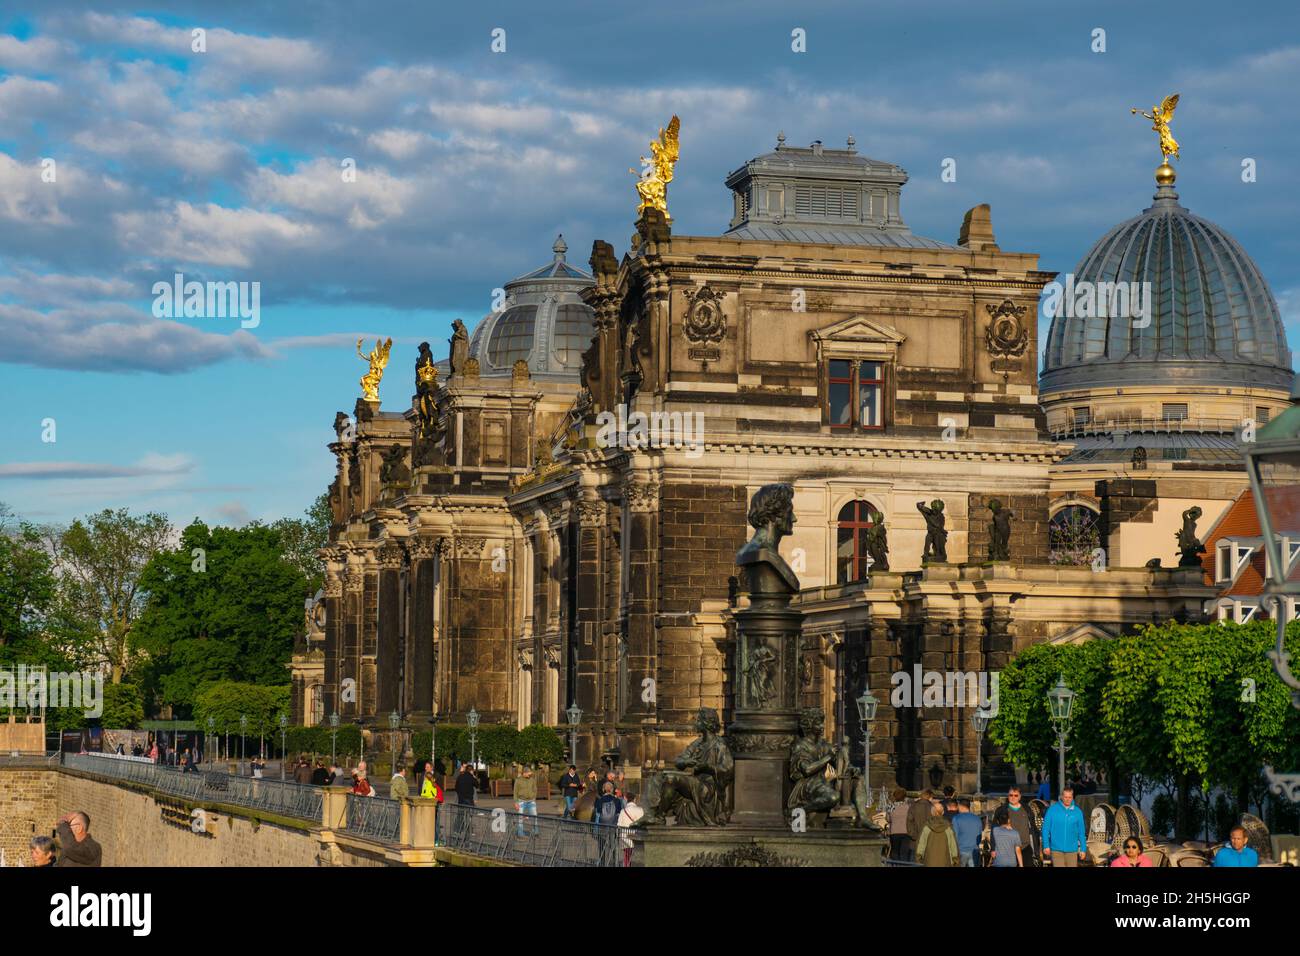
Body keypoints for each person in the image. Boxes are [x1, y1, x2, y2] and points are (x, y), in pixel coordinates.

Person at [1041, 786, 1086, 867]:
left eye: (1070, 797)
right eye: (1065, 797)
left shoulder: (1077, 812)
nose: (1068, 799)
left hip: (1072, 849)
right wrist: (1046, 845)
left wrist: (1083, 848)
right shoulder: (1052, 810)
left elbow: (1081, 832)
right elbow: (1045, 829)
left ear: (1072, 797)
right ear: (1061, 796)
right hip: (1056, 849)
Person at [916, 800, 959, 867]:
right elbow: (953, 846)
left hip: (929, 862)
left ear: (932, 812)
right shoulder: (948, 827)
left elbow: (921, 845)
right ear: (943, 812)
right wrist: (956, 861)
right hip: (945, 862)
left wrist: (919, 859)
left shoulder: (927, 827)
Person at [1003, 786, 1035, 861]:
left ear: (1019, 797)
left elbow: (1033, 828)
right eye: (1011, 795)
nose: (1013, 797)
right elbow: (995, 828)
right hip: (1009, 848)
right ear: (1008, 796)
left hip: (1025, 846)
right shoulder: (1002, 810)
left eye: (1016, 795)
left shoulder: (1027, 809)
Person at [951, 797, 982, 867]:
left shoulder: (956, 818)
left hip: (961, 850)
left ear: (960, 806)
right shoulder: (977, 819)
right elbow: (979, 837)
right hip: (974, 851)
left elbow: (954, 837)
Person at [617, 791, 644, 867]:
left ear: (626, 800)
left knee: (627, 856)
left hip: (625, 837)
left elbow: (619, 825)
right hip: (637, 837)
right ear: (634, 799)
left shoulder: (623, 811)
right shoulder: (640, 810)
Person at [887, 787, 913, 861]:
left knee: (895, 852)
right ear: (904, 797)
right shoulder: (908, 807)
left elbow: (888, 819)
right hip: (906, 832)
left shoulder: (891, 806)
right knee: (904, 854)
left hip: (894, 832)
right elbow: (911, 819)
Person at [514, 766, 539, 836]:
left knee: (535, 817)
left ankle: (536, 832)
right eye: (529, 773)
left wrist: (534, 797)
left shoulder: (532, 780)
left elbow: (535, 789)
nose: (530, 775)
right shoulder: (518, 780)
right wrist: (516, 802)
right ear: (524, 773)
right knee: (520, 818)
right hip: (521, 801)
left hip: (531, 801)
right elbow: (515, 792)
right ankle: (520, 833)